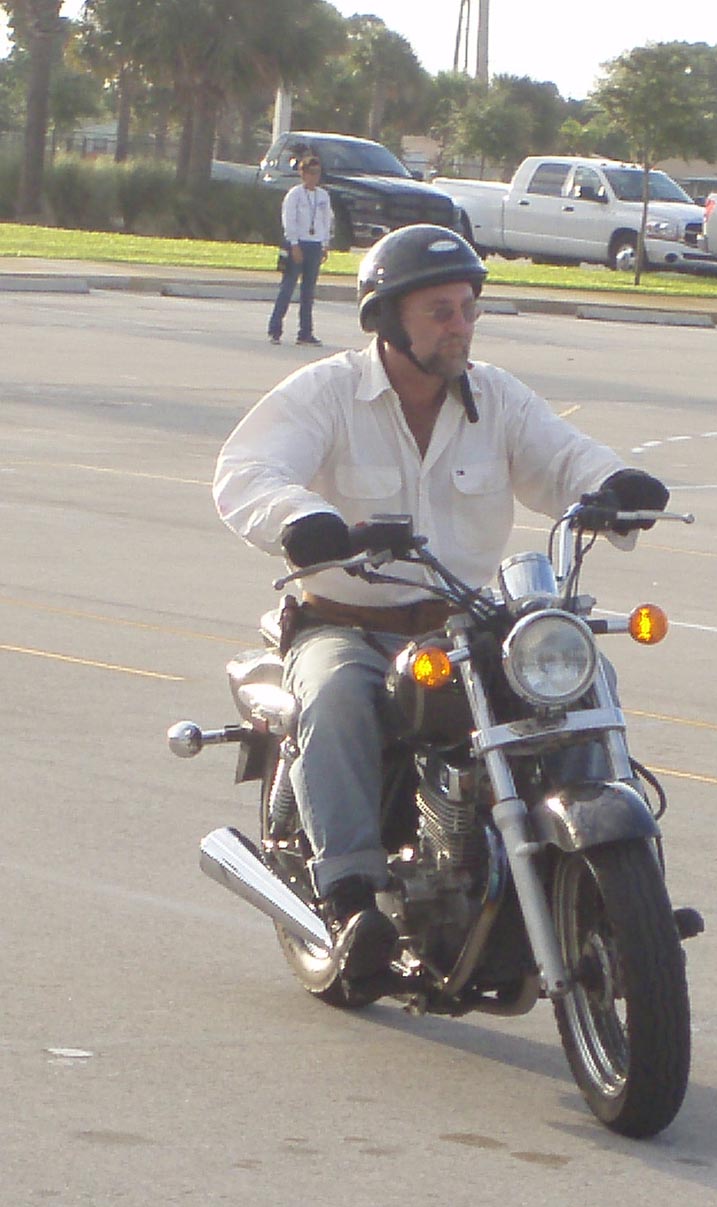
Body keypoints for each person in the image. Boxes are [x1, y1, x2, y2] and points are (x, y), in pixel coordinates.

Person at [215, 224, 669, 981]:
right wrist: (302, 521)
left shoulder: (495, 397)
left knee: (580, 678)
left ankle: (617, 886)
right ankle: (349, 896)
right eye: (439, 312)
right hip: (350, 623)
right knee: (336, 696)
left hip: (464, 622)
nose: (460, 326)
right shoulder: (328, 393)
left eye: (466, 309)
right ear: (387, 320)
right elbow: (248, 469)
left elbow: (563, 456)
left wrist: (614, 484)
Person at [267, 152, 332, 346]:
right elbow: (289, 220)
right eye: (310, 172)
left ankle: (305, 332)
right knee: (288, 287)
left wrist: (325, 243)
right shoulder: (294, 195)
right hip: (298, 243)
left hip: (315, 244)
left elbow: (326, 220)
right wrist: (294, 244)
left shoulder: (323, 195)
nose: (314, 177)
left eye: (317, 172)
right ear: (302, 173)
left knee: (308, 291)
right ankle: (275, 329)